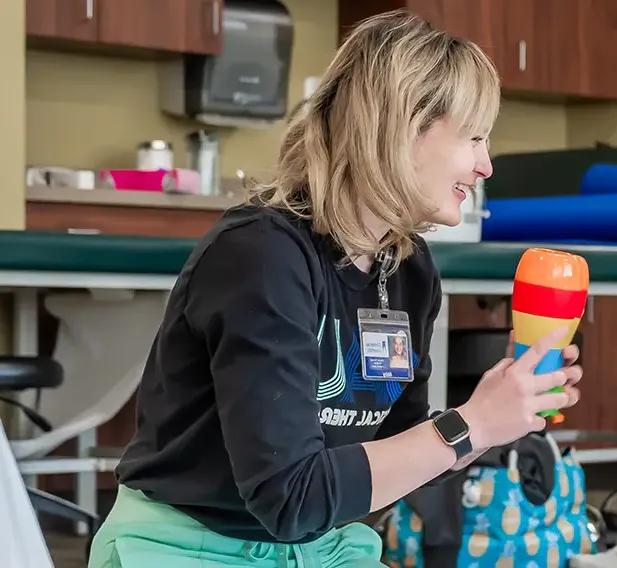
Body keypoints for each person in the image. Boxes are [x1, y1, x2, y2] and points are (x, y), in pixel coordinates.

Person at [88, 10, 582, 568]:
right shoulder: (262, 254)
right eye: (474, 137)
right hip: (191, 547)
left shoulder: (409, 268)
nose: (486, 165)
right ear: (405, 125)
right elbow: (290, 496)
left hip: (323, 547)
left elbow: (397, 451)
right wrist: (469, 427)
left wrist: (489, 418)